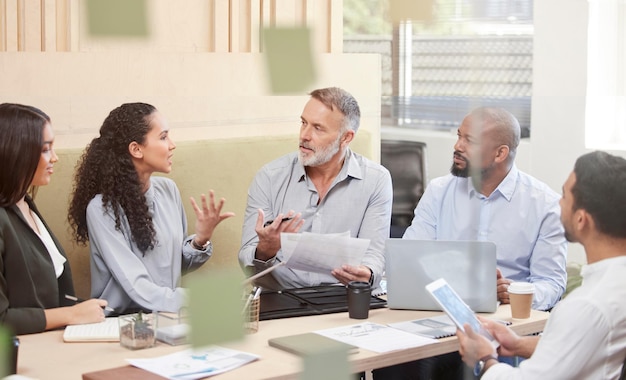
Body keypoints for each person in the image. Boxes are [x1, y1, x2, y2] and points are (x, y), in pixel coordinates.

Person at [374, 107, 568, 380]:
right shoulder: (439, 191)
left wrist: (516, 291)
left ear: (500, 153)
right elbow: (408, 260)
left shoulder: (545, 205)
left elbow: (552, 284)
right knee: (393, 360)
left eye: (470, 141)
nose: (457, 146)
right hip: (433, 317)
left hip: (503, 326)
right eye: (458, 136)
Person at [457, 150, 626, 379]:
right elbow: (585, 347)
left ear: (581, 219)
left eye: (565, 196)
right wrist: (518, 344)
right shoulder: (615, 286)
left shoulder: (588, 305)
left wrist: (486, 358)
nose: (559, 202)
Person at [68, 103, 234, 315]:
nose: (172, 145)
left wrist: (199, 241)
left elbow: (170, 267)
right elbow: (138, 287)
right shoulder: (102, 209)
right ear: (136, 149)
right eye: (163, 137)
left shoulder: (168, 190)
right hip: (124, 324)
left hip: (168, 316)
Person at [238, 87, 392, 290]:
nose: (304, 135)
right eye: (303, 123)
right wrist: (264, 251)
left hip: (345, 296)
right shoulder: (270, 177)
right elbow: (247, 261)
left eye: (318, 128)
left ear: (346, 138)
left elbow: (374, 255)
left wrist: (368, 273)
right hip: (282, 298)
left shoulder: (376, 180)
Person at [0, 103, 107, 335]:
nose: (55, 158)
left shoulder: (24, 203)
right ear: (17, 151)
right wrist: (71, 315)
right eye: (46, 149)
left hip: (53, 336)